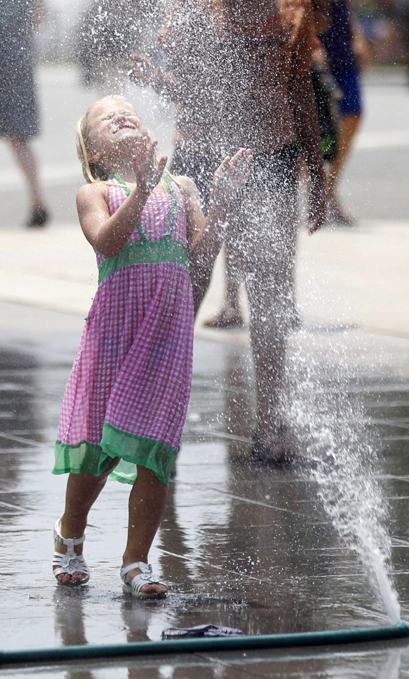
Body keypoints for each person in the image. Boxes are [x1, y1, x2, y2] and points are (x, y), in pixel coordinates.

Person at [51, 95, 252, 595]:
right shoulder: (94, 191)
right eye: (105, 117)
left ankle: (136, 562)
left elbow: (200, 254)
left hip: (166, 336)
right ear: (93, 152)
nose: (121, 115)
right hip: (114, 336)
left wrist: (223, 201)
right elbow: (106, 242)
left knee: (156, 451)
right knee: (97, 449)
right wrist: (139, 193)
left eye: (129, 112)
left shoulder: (180, 187)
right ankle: (69, 534)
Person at [129, 0, 326, 463]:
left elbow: (300, 89)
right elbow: (175, 77)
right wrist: (156, 74)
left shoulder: (291, 11)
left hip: (270, 155)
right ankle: (159, 418)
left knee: (271, 289)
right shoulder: (195, 10)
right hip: (201, 154)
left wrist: (316, 175)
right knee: (188, 283)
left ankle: (271, 422)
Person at [320, 0, 369, 225]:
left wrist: (357, 37)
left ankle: (328, 191)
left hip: (342, 51)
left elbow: (344, 7)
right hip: (313, 48)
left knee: (352, 116)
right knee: (308, 129)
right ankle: (315, 195)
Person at [0, 0, 49, 227]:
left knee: (16, 136)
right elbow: (38, 16)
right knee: (18, 135)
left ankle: (38, 202)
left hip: (9, 54)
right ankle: (38, 201)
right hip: (17, 53)